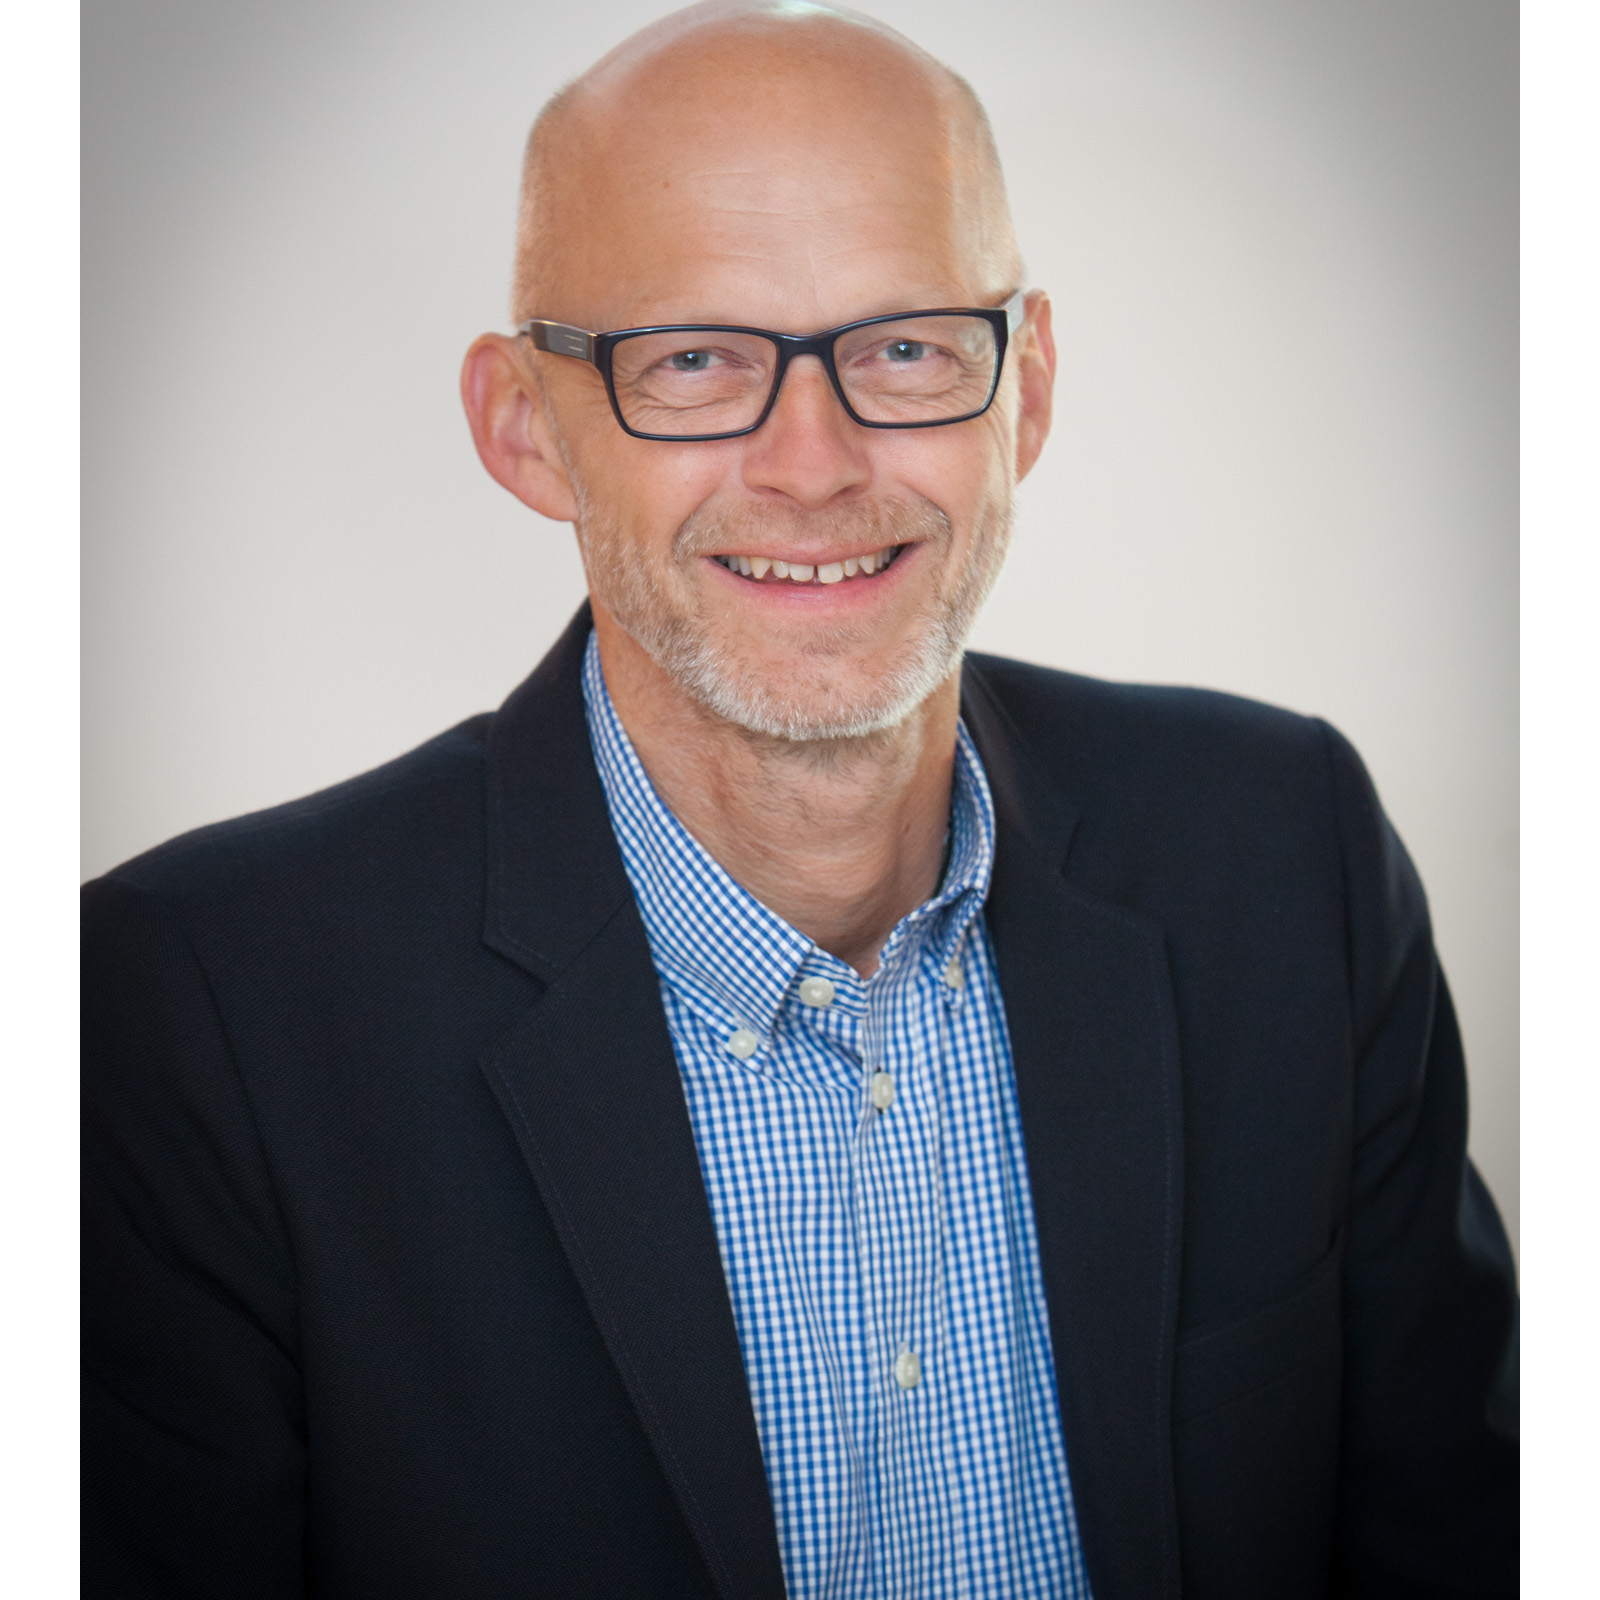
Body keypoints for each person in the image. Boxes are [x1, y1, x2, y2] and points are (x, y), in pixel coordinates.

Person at [79, 4, 1519, 1596]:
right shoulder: (197, 1016)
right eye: (695, 360)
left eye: (905, 347)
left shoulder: (1288, 859)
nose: (815, 465)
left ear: (1027, 390)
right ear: (525, 427)